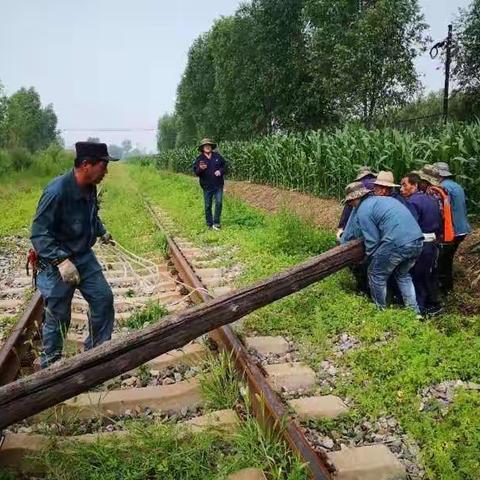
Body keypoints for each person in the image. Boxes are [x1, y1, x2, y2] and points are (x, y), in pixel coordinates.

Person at [31, 142, 118, 368]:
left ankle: (95, 356)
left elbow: (91, 217)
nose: (105, 172)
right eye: (103, 166)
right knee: (59, 314)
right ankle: (50, 367)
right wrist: (60, 260)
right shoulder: (56, 191)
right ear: (86, 165)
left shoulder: (90, 187)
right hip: (56, 261)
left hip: (83, 255)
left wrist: (102, 232)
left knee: (103, 299)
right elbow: (39, 233)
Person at [341, 182, 423, 313]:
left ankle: (381, 312)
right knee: (403, 275)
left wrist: (366, 259)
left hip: (397, 243)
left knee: (376, 274)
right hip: (417, 240)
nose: (350, 205)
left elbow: (372, 241)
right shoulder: (384, 200)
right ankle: (414, 312)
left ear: (356, 198)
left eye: (350, 202)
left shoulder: (363, 210)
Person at [400, 173, 442, 315]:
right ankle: (433, 305)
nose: (401, 188)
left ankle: (420, 310)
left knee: (416, 277)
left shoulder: (412, 202)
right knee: (429, 275)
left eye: (404, 185)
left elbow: (410, 226)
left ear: (415, 185)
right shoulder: (431, 199)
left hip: (421, 243)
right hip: (433, 243)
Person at [432, 162, 471, 292]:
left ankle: (445, 289)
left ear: (438, 174)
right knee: (447, 259)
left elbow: (442, 210)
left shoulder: (442, 187)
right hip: (463, 228)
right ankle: (448, 287)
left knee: (443, 261)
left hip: (452, 230)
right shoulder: (457, 185)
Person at [193, 138, 227, 230]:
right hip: (206, 186)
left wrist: (220, 171)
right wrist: (200, 168)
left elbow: (225, 166)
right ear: (203, 148)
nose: (207, 147)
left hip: (218, 185)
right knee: (208, 205)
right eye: (205, 146)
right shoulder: (199, 159)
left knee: (219, 203)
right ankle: (209, 223)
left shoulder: (217, 156)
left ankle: (216, 222)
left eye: (209, 145)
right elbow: (196, 172)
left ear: (211, 147)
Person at [337, 166, 376, 240]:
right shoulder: (377, 181)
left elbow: (348, 209)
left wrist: (342, 226)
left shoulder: (360, 184)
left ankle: (344, 234)